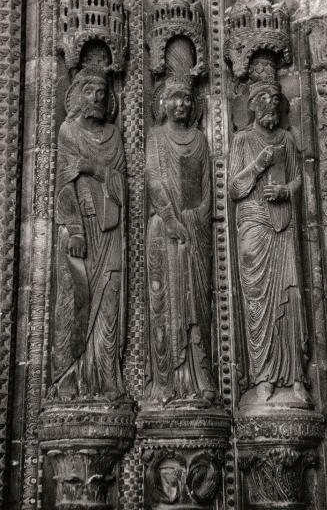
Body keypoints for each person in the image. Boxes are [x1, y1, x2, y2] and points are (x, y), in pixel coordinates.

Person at [229, 81, 310, 407]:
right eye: (264, 98)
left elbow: (299, 176)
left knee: (290, 298)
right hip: (254, 224)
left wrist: (287, 191)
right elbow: (234, 187)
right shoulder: (242, 140)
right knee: (259, 302)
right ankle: (263, 377)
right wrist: (260, 164)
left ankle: (295, 378)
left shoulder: (287, 139)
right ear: (251, 104)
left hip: (283, 223)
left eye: (276, 99)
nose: (271, 104)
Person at [51, 64, 127, 402]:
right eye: (89, 91)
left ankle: (106, 377)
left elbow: (122, 185)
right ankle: (69, 378)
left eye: (101, 92)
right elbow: (64, 184)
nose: (96, 97)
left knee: (108, 302)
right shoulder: (68, 132)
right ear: (77, 96)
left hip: (109, 229)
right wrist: (76, 230)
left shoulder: (113, 135)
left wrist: (94, 168)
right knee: (75, 303)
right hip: (80, 233)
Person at [144, 75, 216, 408]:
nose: (183, 104)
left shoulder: (200, 140)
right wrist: (172, 221)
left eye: (188, 98)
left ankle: (200, 377)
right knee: (163, 304)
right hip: (164, 230)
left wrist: (195, 219)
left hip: (195, 233)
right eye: (175, 98)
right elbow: (154, 180)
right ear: (163, 104)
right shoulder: (156, 137)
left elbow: (207, 190)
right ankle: (166, 382)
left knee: (198, 308)